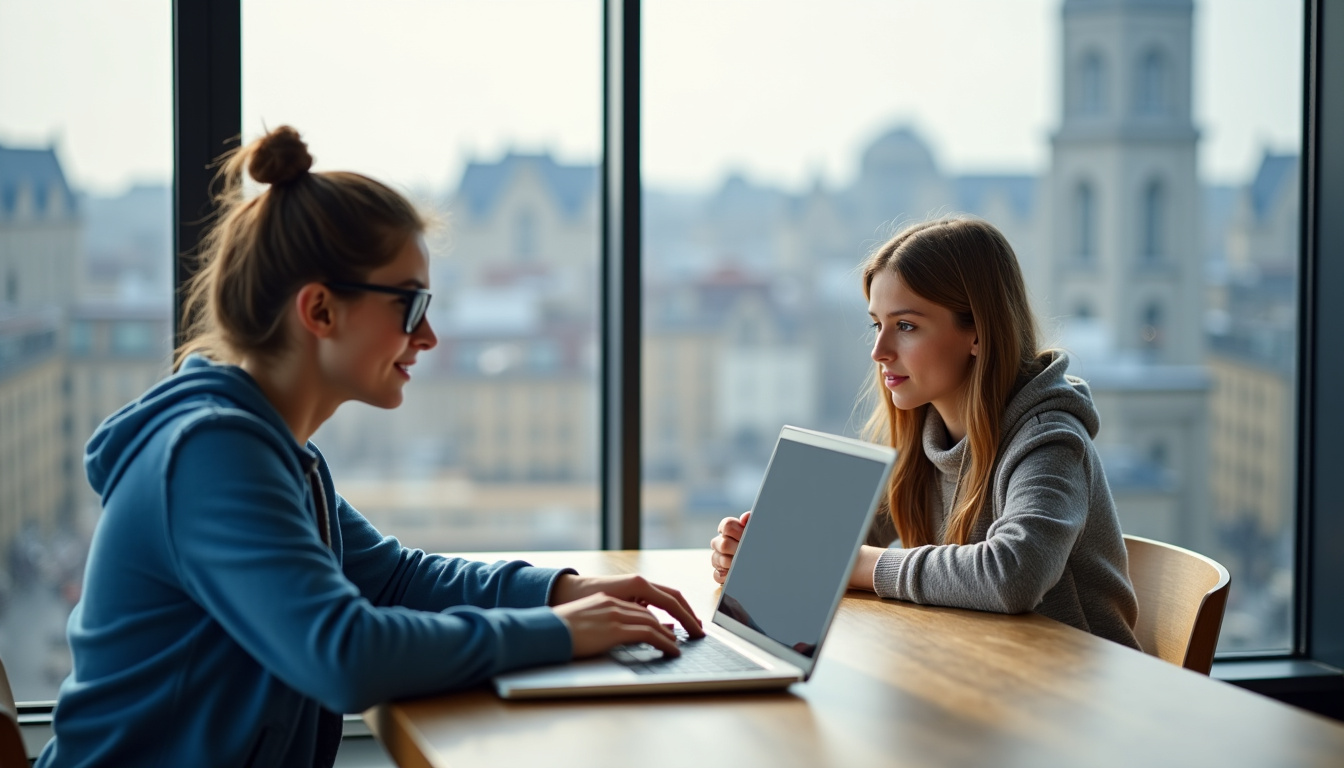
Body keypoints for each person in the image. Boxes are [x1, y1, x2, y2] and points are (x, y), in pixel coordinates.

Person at [36, 126, 702, 768]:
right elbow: (344, 655)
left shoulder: (274, 453)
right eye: (410, 306)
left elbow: (396, 581)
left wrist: (561, 590)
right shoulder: (210, 457)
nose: (431, 336)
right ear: (321, 311)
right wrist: (560, 632)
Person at [709, 217, 1140, 650]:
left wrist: (850, 564)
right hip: (979, 673)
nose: (879, 352)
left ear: (977, 332)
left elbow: (1012, 575)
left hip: (1078, 696)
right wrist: (762, 557)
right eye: (877, 325)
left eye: (907, 326)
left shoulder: (1048, 439)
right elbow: (837, 541)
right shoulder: (923, 435)